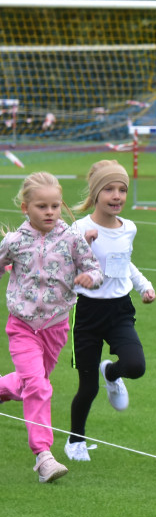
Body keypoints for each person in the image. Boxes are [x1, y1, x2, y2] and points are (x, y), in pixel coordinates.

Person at [0, 172, 103, 483]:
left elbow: (94, 269)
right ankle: (43, 456)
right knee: (39, 387)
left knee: (29, 384)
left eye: (55, 206)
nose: (49, 212)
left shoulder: (72, 239)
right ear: (25, 208)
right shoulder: (14, 242)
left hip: (56, 328)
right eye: (41, 206)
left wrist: (90, 279)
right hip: (22, 328)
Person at [64, 160, 155, 462]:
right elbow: (66, 265)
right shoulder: (79, 228)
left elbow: (124, 262)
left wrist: (144, 286)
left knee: (136, 366)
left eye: (122, 190)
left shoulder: (129, 227)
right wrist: (84, 255)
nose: (117, 196)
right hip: (87, 312)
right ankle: (76, 440)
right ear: (96, 192)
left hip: (119, 311)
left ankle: (112, 373)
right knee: (87, 388)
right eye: (109, 189)